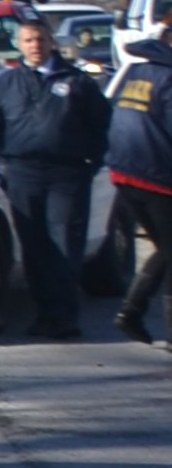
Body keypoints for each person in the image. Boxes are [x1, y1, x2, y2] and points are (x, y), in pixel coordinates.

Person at [0, 13, 106, 341]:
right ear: (18, 45)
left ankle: (64, 318)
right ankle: (43, 314)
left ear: (52, 42)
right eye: (28, 40)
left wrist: (89, 164)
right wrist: (0, 159)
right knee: (34, 248)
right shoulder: (5, 83)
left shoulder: (78, 82)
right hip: (23, 173)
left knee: (64, 245)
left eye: (40, 39)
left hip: (67, 174)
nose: (35, 46)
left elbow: (102, 126)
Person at [106, 47, 171, 350]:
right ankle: (135, 314)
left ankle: (131, 311)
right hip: (158, 176)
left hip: (126, 172)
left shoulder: (137, 71)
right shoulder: (169, 77)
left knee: (166, 248)